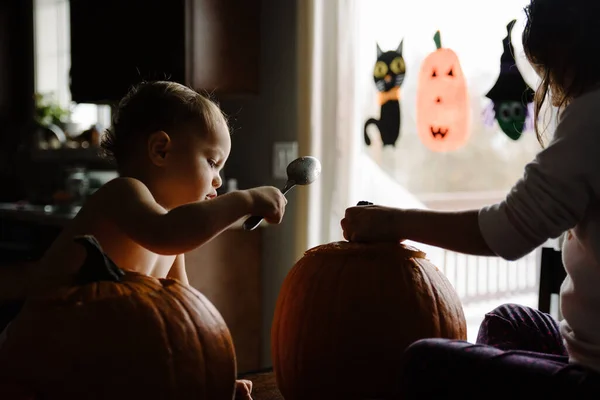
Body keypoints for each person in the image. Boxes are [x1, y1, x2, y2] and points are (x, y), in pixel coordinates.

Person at [341, 0, 600, 396]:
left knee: (423, 360)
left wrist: (393, 222)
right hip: (581, 349)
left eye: (549, 72)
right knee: (506, 320)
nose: (555, 88)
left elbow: (508, 231)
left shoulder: (592, 112)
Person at [28, 80, 287, 399]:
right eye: (212, 162)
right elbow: (167, 232)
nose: (218, 179)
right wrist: (245, 200)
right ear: (160, 150)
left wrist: (212, 376)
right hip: (47, 357)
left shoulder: (173, 233)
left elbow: (187, 317)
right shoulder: (124, 194)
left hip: (105, 366)